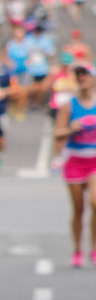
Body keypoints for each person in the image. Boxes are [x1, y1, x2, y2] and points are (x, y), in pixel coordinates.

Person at [53, 62, 96, 268]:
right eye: (79, 76)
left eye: (86, 75)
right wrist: (71, 128)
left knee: (95, 204)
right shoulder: (69, 105)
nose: (83, 79)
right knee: (79, 210)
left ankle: (94, 248)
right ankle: (78, 249)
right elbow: (57, 133)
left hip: (94, 161)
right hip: (75, 161)